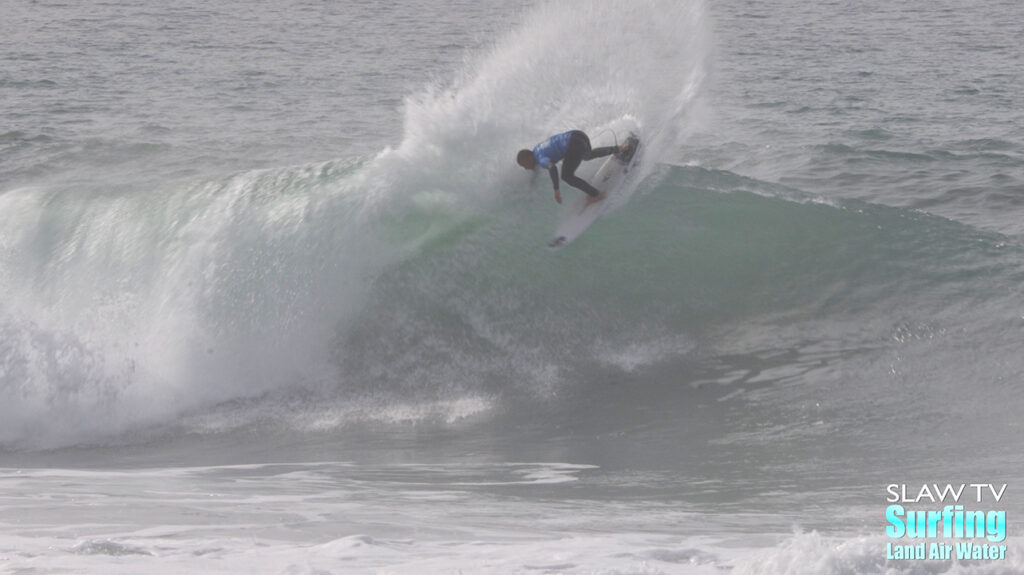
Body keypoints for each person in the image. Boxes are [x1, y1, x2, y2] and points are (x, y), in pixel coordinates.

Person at [517, 130, 630, 205]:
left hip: (573, 145)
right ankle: (620, 148)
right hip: (578, 135)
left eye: (524, 165)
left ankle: (596, 195)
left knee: (566, 176)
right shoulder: (537, 149)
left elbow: (552, 167)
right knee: (587, 155)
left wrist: (556, 190)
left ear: (528, 159)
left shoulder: (540, 159)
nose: (526, 168)